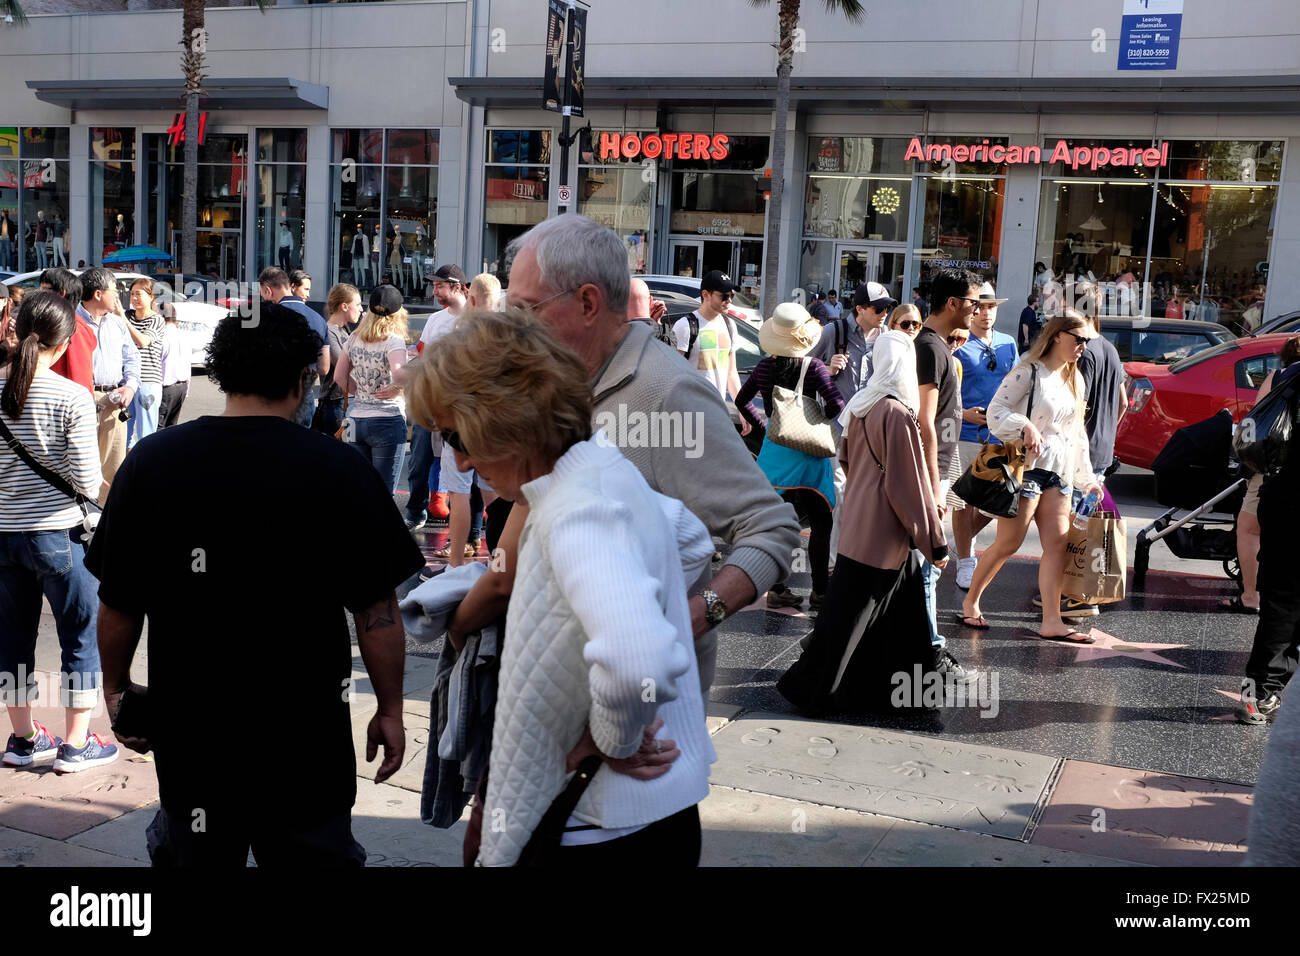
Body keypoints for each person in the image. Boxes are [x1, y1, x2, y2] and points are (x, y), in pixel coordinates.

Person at [89, 302, 424, 866]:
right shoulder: (340, 470)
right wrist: (389, 708)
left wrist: (117, 690)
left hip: (194, 730)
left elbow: (118, 603)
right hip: (305, 734)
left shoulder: (153, 462)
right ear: (304, 378)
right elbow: (377, 611)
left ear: (220, 372)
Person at [407, 305, 715, 866]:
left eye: (455, 435)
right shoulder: (601, 471)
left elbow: (635, 658)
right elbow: (690, 542)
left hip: (593, 825)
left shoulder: (574, 511)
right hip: (640, 815)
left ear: (504, 420)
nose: (463, 459)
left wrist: (609, 737)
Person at [489, 214, 798, 693]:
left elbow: (772, 529)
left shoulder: (668, 392)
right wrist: (486, 591)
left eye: (526, 310)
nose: (515, 329)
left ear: (588, 302)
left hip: (638, 717)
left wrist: (689, 620)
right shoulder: (559, 379)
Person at [777, 331, 950, 713]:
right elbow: (908, 487)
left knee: (898, 618)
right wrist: (934, 542)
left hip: (859, 524)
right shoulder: (897, 414)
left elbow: (846, 461)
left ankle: (901, 692)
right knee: (849, 621)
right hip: (885, 534)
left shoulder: (862, 404)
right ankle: (810, 689)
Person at [0, 292, 112, 773]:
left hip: (3, 535)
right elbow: (87, 482)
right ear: (65, 342)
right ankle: (75, 742)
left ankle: (23, 739)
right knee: (79, 638)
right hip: (59, 536)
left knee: (11, 641)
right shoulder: (72, 397)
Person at [960, 310, 1103, 642]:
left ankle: (1052, 620)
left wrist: (1087, 478)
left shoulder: (1076, 379)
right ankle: (971, 601)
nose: (1082, 347)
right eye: (1078, 339)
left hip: (1060, 471)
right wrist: (1024, 426)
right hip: (1026, 469)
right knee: (1009, 542)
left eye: (1086, 341)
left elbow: (1076, 432)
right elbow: (996, 412)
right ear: (1057, 336)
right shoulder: (1028, 372)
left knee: (1057, 544)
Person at [735, 304, 845, 611]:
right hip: (809, 455)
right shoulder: (814, 368)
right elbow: (837, 405)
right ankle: (820, 590)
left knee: (778, 524)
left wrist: (765, 427)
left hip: (775, 454)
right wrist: (820, 420)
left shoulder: (763, 368)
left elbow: (742, 401)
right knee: (821, 521)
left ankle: (778, 588)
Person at [916, 268, 981, 680]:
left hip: (931, 474)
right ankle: (931, 654)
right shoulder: (931, 348)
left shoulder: (937, 347)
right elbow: (924, 419)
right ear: (953, 304)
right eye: (973, 303)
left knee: (922, 568)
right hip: (928, 476)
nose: (977, 311)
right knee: (929, 566)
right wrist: (933, 484)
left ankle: (923, 648)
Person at [811, 281, 894, 559]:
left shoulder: (888, 338)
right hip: (836, 425)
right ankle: (837, 559)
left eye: (888, 307)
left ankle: (862, 555)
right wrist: (825, 367)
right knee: (842, 492)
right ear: (859, 308)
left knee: (871, 495)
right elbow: (801, 369)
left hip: (873, 429)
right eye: (878, 307)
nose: (884, 312)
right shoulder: (833, 332)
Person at [1238, 351, 1300, 726]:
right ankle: (1263, 691)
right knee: (1287, 607)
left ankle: (1259, 691)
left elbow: (1257, 428)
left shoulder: (1285, 376)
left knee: (1279, 604)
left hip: (1278, 497)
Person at [951, 282, 1019, 591]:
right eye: (980, 307)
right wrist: (962, 412)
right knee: (964, 502)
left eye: (991, 307)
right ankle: (965, 560)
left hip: (1000, 434)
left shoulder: (1008, 343)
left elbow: (1017, 386)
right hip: (966, 431)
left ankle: (964, 543)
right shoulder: (959, 342)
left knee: (998, 499)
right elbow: (942, 390)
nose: (986, 313)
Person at [1228, 335, 1300, 617]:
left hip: (1276, 467)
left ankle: (1251, 595)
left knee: (1249, 527)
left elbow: (1258, 422)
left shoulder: (1280, 376)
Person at [1067, 308, 1129, 618]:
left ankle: (1075, 593)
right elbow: (1124, 402)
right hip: (1102, 448)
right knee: (1089, 523)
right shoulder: (1110, 348)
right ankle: (1080, 590)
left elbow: (1078, 404)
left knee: (1077, 525)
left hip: (1082, 451)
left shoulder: (1086, 350)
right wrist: (1108, 432)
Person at [404, 264, 467, 532]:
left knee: (463, 465)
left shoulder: (475, 319)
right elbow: (423, 355)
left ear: (456, 286)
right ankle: (416, 510)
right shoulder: (436, 320)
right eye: (434, 285)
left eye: (439, 286)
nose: (434, 290)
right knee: (420, 458)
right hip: (431, 401)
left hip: (462, 405)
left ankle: (468, 522)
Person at [332, 285, 410, 494]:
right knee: (384, 492)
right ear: (397, 314)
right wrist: (399, 386)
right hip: (387, 419)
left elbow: (339, 376)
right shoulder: (394, 341)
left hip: (356, 419)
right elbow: (400, 373)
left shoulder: (354, 337)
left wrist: (363, 393)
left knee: (361, 488)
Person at [77, 268, 139, 505]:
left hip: (116, 401)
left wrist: (130, 387)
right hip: (84, 399)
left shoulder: (117, 324)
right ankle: (80, 518)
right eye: (115, 291)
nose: (118, 297)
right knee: (83, 464)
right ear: (98, 294)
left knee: (113, 467)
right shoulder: (72, 321)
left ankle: (104, 521)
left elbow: (133, 359)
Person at [258, 266, 329, 427]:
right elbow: (324, 368)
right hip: (304, 394)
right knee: (302, 447)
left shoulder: (266, 316)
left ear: (268, 290)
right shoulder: (318, 319)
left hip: (274, 394)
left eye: (262, 293)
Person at [672, 269, 742, 403]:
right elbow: (673, 374)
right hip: (692, 410)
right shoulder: (685, 326)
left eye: (731, 296)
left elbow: (731, 373)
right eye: (724, 296)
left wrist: (742, 409)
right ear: (706, 294)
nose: (729, 301)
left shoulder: (730, 325)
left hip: (719, 409)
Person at [314, 283, 362, 438]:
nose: (361, 309)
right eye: (358, 304)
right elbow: (346, 365)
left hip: (346, 401)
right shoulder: (329, 330)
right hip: (335, 404)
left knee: (351, 446)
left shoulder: (344, 329)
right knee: (342, 449)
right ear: (344, 306)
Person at [123, 278, 165, 450]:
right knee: (123, 428)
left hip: (148, 382)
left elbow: (143, 341)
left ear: (151, 297)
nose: (134, 298)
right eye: (132, 294)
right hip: (126, 381)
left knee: (146, 433)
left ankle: (147, 470)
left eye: (139, 294)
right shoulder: (127, 316)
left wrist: (123, 320)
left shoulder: (157, 320)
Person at [41, 269, 94, 395]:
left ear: (61, 294)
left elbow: (80, 377)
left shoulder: (75, 328)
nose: (39, 295)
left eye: (45, 290)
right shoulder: (49, 322)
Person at [156, 302, 190, 429]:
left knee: (158, 428)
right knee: (172, 427)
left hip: (167, 388)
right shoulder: (183, 335)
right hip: (182, 386)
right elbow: (188, 363)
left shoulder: (162, 335)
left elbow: (158, 362)